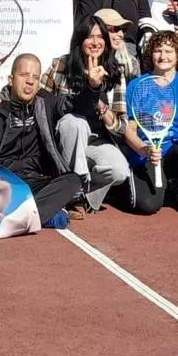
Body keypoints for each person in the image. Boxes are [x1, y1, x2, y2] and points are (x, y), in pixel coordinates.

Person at [0, 54, 86, 226]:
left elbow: (76, 104)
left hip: (33, 183)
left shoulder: (45, 104)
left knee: (72, 181)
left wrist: (93, 87)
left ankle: (20, 216)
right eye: (24, 75)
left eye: (35, 77)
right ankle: (40, 214)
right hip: (1, 181)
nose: (30, 81)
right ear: (11, 80)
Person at [114, 30, 178, 215]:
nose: (163, 56)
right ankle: (124, 186)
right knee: (147, 206)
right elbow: (129, 129)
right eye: (158, 50)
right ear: (151, 54)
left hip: (175, 151)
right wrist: (144, 149)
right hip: (146, 153)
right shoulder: (137, 85)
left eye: (169, 51)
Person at [46, 15, 132, 213]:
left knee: (119, 171)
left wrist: (101, 107)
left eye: (100, 37)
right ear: (79, 41)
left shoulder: (115, 72)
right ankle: (72, 191)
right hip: (64, 140)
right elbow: (43, 103)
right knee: (76, 123)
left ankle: (81, 191)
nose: (95, 42)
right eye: (89, 37)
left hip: (95, 141)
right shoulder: (61, 65)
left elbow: (121, 127)